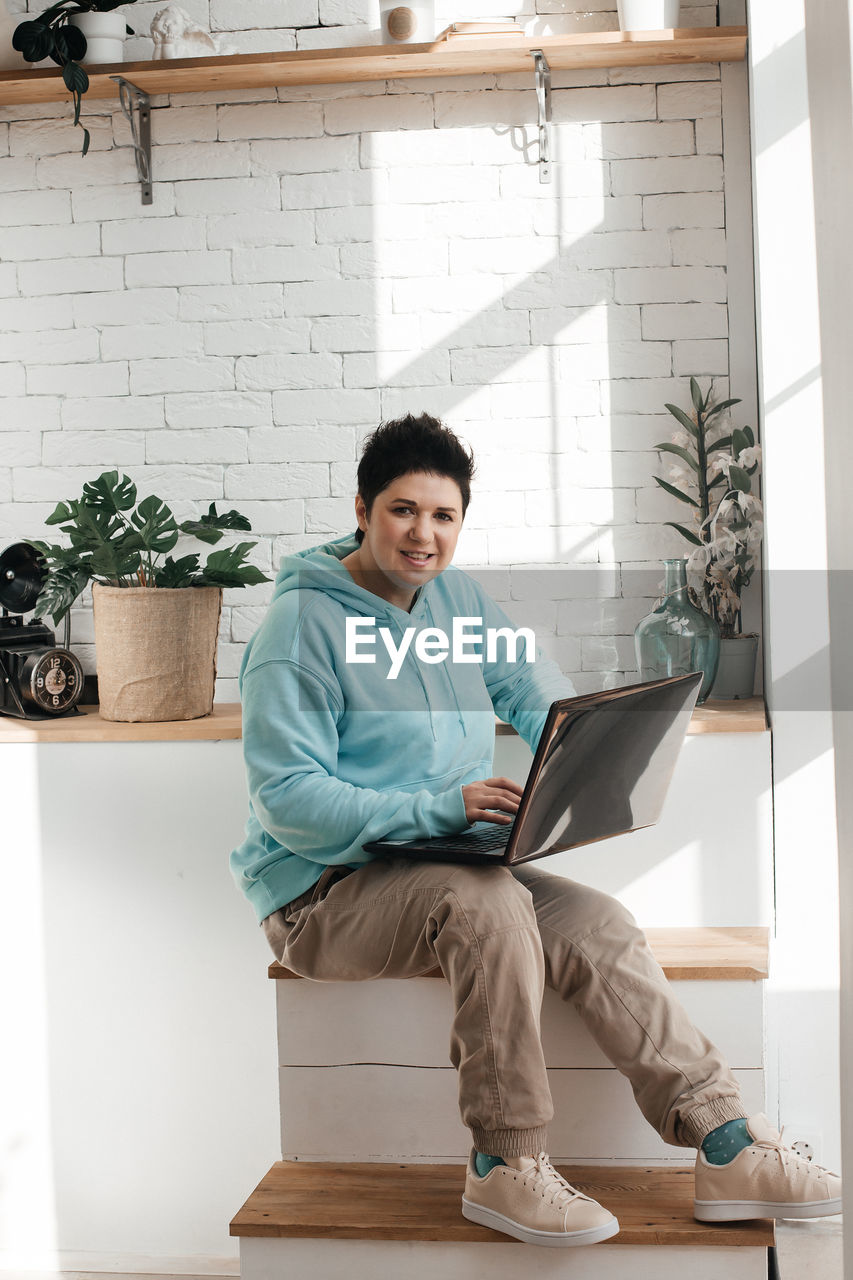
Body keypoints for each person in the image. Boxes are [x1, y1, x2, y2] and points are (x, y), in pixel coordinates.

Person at [231, 413, 842, 1248]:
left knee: (600, 923)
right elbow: (289, 800)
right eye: (403, 511)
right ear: (363, 509)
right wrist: (440, 810)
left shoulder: (455, 599)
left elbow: (530, 687)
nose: (424, 535)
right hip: (322, 891)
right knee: (484, 906)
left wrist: (582, 752)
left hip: (435, 864)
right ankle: (504, 1164)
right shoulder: (297, 630)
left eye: (443, 517)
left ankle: (725, 1141)